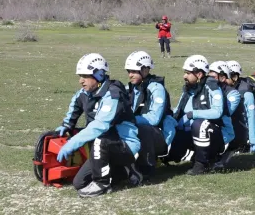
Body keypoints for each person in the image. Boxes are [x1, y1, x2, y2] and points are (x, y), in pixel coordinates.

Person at [54, 53, 142, 198]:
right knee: (79, 183)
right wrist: (66, 125)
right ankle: (125, 171)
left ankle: (102, 183)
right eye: (79, 76)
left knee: (100, 138)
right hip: (102, 148)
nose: (81, 81)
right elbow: (74, 109)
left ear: (99, 75)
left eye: (85, 76)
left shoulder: (113, 94)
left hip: (124, 145)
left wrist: (72, 143)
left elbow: (100, 125)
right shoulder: (84, 93)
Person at [165, 55, 227, 175]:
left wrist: (193, 114)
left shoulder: (212, 87)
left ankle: (201, 164)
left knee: (200, 124)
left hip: (215, 135)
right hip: (191, 134)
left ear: (199, 74)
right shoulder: (188, 90)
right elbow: (177, 112)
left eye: (188, 73)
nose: (184, 76)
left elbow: (217, 112)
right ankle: (191, 156)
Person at [124, 51, 175, 180]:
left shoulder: (156, 88)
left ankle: (147, 168)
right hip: (138, 129)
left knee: (143, 130)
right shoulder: (130, 89)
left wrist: (130, 120)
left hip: (160, 133)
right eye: (129, 71)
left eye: (134, 71)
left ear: (145, 70)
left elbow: (154, 118)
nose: (130, 75)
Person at [207, 61, 246, 170]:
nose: (209, 79)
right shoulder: (209, 90)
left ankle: (224, 155)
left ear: (223, 78)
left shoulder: (232, 94)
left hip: (234, 132)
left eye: (212, 76)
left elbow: (220, 114)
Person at [226, 60, 255, 155]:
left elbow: (251, 117)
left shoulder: (246, 93)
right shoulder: (225, 88)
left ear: (234, 77)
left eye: (226, 76)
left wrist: (254, 143)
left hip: (240, 130)